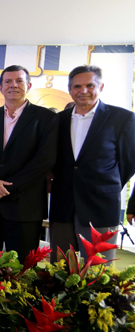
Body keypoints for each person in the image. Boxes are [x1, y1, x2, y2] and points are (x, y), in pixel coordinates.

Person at [0, 65, 58, 257]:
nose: (13, 85)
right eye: (7, 81)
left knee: (22, 268)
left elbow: (44, 160)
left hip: (24, 205)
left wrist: (7, 187)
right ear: (0, 87)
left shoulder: (46, 118)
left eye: (19, 81)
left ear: (29, 85)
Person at [50, 65, 135, 263]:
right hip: (63, 204)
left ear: (101, 86)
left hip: (101, 206)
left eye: (90, 85)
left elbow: (129, 162)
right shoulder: (57, 120)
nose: (83, 91)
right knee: (59, 270)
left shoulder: (122, 118)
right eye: (77, 86)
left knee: (98, 271)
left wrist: (104, 184)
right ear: (70, 89)